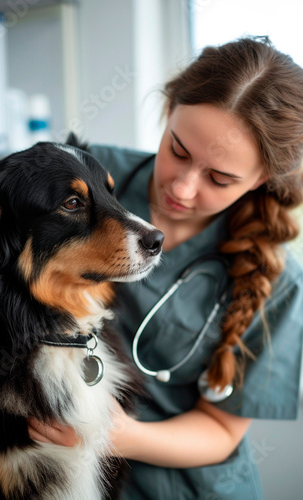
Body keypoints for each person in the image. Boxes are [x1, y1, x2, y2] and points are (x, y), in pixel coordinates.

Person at [28, 37, 303, 499]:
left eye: (219, 178)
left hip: (186, 485)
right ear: (170, 108)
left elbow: (221, 429)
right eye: (178, 149)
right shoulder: (84, 181)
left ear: (262, 180)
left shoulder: (280, 282)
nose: (183, 187)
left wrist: (111, 434)